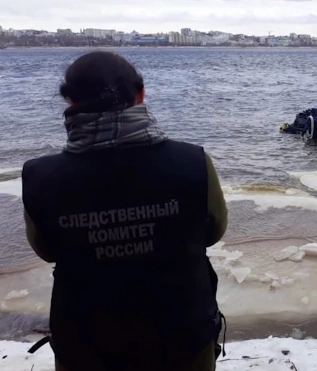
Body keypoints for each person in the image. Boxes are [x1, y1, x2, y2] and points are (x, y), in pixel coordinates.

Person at [20, 50, 228, 371]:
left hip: (86, 343)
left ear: (70, 101)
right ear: (141, 95)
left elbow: (46, 250)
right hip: (182, 338)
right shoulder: (192, 162)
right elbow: (213, 231)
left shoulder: (40, 176)